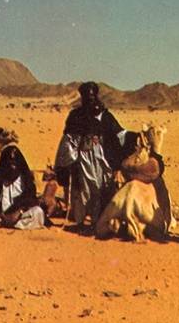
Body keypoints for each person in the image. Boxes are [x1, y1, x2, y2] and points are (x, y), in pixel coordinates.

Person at [54, 82, 128, 230]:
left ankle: (97, 221)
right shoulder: (76, 116)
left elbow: (118, 135)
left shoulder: (105, 115)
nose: (90, 98)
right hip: (84, 157)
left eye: (92, 95)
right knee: (84, 190)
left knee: (102, 188)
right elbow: (69, 140)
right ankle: (80, 222)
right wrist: (70, 160)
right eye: (87, 96)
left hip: (103, 157)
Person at [0, 144, 46, 230]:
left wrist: (19, 212)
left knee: (38, 212)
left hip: (18, 217)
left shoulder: (26, 178)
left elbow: (30, 199)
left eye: (14, 163)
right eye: (9, 163)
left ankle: (15, 225)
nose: (12, 167)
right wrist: (1, 215)